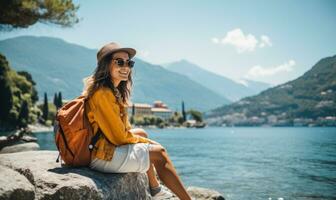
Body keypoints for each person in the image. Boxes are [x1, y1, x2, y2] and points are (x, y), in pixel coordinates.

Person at [82, 42, 192, 200]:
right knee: (159, 153)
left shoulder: (113, 92)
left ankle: (155, 189)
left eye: (129, 62)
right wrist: (147, 143)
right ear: (106, 65)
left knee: (141, 132)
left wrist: (142, 140)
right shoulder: (103, 94)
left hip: (104, 146)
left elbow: (124, 130)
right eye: (120, 62)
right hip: (101, 155)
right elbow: (119, 137)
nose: (126, 67)